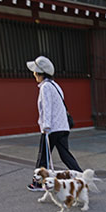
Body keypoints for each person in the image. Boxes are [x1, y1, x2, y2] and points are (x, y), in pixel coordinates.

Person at [26, 56, 82, 191]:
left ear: (40, 73)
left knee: (43, 157)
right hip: (62, 127)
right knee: (65, 155)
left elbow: (47, 107)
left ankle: (38, 183)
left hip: (51, 128)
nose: (34, 74)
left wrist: (46, 126)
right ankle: (82, 178)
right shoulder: (56, 85)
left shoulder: (45, 87)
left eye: (35, 72)